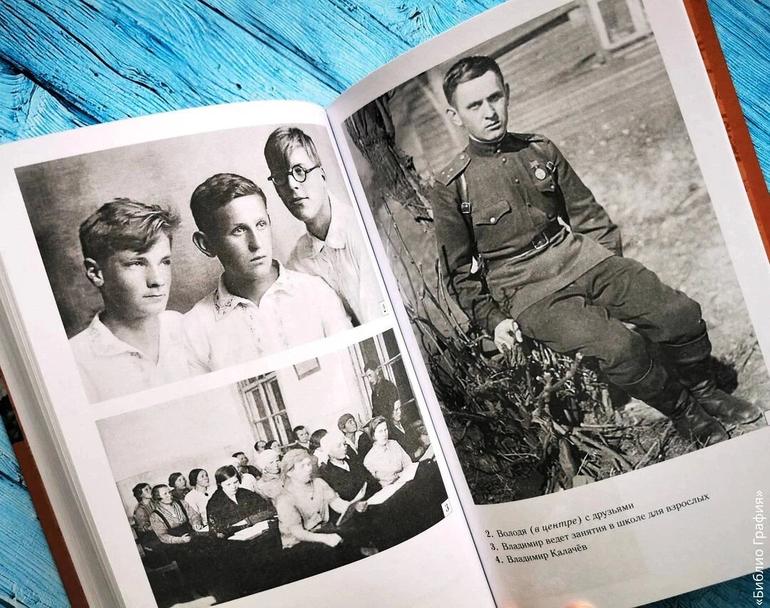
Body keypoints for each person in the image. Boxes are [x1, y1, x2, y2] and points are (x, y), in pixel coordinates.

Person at [431, 55, 760, 446]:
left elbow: (588, 215)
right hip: (527, 291)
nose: (489, 112)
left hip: (581, 258)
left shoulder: (539, 150)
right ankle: (685, 412)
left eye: (495, 97)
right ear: (455, 116)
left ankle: (707, 392)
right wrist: (494, 320)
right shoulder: (452, 186)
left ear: (507, 94)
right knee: (622, 348)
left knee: (678, 312)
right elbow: (459, 274)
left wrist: (608, 267)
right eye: (474, 105)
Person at [184, 173, 352, 371]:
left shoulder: (316, 293)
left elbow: (351, 371)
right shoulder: (195, 328)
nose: (256, 243)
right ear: (206, 244)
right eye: (239, 230)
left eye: (261, 224)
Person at [70, 199, 194, 402]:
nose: (157, 280)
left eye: (164, 262)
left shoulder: (186, 327)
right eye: (136, 263)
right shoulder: (74, 361)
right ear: (96, 273)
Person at [264, 126, 384, 325]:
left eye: (299, 170)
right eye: (279, 177)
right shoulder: (297, 263)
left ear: (322, 174)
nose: (292, 185)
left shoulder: (360, 228)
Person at [275, 449, 367, 556]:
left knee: (355, 537)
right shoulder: (285, 498)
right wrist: (325, 538)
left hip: (322, 531)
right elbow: (298, 533)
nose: (309, 468)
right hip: (299, 543)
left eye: (309, 464)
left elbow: (335, 502)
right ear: (290, 472)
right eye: (302, 466)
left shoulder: (318, 483)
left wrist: (353, 506)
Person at [206, 465, 275, 538]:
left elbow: (269, 510)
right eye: (228, 484)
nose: (233, 487)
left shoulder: (245, 493)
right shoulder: (214, 503)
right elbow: (217, 532)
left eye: (235, 482)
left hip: (257, 533)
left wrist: (249, 521)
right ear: (220, 484)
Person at [319, 431, 380, 502]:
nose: (344, 448)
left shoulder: (354, 462)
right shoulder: (328, 475)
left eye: (344, 444)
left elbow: (373, 481)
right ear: (328, 452)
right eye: (339, 446)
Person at [363, 416, 413, 486]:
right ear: (373, 435)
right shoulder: (368, 460)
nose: (384, 434)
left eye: (385, 430)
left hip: (406, 481)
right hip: (389, 489)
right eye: (380, 431)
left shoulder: (394, 444)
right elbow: (375, 485)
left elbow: (408, 463)